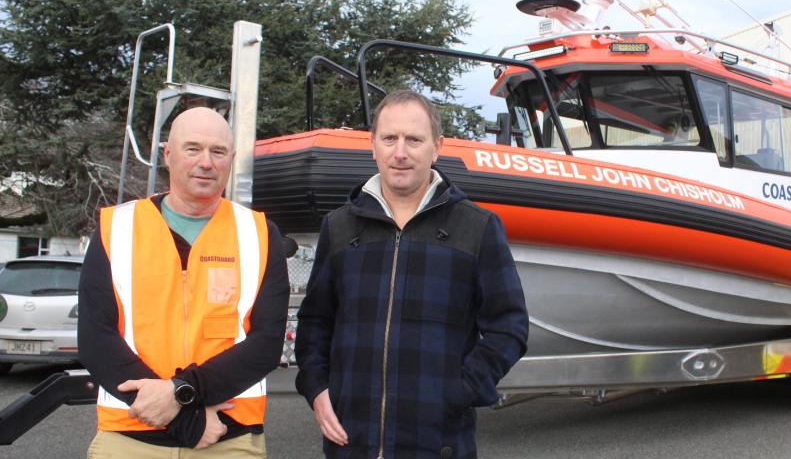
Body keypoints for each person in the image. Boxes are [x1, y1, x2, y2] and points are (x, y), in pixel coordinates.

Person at [294, 90, 529, 458]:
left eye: (413, 140)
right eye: (389, 138)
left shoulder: (477, 227)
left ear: (436, 148)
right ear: (373, 146)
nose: (400, 152)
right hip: (351, 443)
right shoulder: (338, 227)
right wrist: (318, 390)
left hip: (439, 443)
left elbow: (509, 325)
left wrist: (461, 389)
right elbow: (315, 322)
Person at [78, 107, 289, 456]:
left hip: (228, 438)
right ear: (167, 154)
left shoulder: (260, 234)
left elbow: (266, 344)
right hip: (130, 438)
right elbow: (95, 339)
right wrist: (185, 418)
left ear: (231, 158)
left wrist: (180, 393)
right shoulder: (116, 228)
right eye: (193, 148)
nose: (206, 162)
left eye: (218, 151)